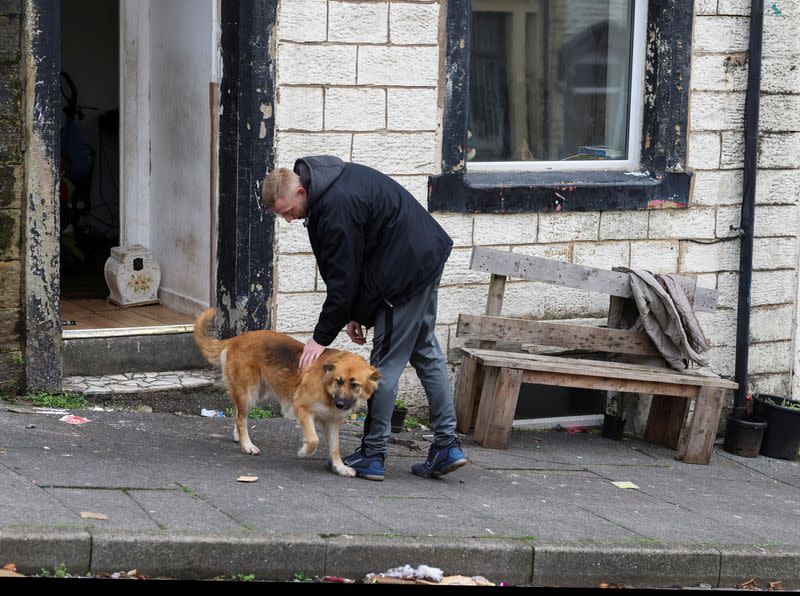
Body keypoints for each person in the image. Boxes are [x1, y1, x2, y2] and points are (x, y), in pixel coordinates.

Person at [261, 155, 467, 481]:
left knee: (381, 366)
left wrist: (320, 338)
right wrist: (357, 313)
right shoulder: (330, 187)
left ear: (300, 191)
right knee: (425, 350)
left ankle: (373, 453)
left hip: (404, 275)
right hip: (420, 258)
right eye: (281, 216)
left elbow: (343, 280)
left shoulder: (334, 208)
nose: (287, 220)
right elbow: (357, 262)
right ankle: (447, 445)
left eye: (286, 211)